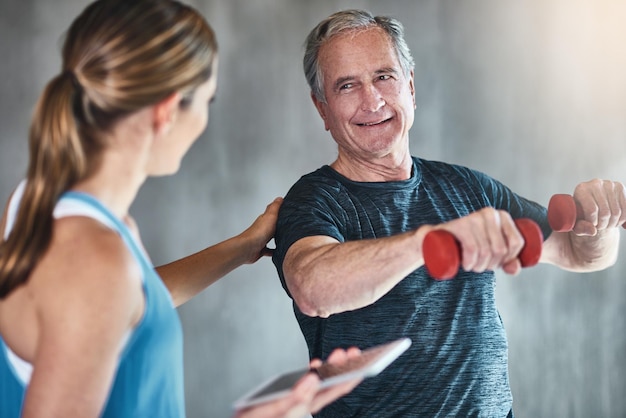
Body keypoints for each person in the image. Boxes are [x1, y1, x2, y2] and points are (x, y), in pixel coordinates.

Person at [0, 1, 363, 417]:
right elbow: (102, 295)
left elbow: (132, 305)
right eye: (207, 102)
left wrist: (242, 247)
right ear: (168, 111)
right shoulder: (96, 261)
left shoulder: (42, 205)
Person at [271, 9, 626, 418]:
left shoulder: (466, 188)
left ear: (411, 87)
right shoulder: (315, 199)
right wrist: (431, 241)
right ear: (323, 109)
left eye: (384, 76)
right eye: (347, 85)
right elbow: (313, 287)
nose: (372, 100)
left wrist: (599, 222)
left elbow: (581, 254)